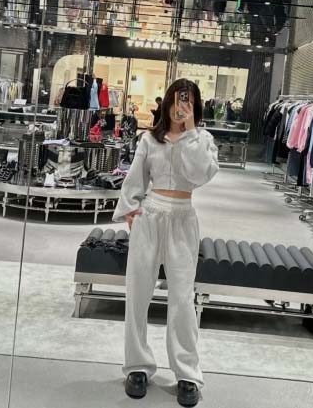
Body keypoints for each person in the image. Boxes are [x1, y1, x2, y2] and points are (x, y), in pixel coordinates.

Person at [113, 79, 219, 407]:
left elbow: (199, 174)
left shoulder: (203, 140)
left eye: (186, 101)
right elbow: (135, 178)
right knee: (137, 293)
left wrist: (190, 131)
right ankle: (137, 366)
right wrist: (131, 210)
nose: (179, 107)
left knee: (183, 299)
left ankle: (187, 374)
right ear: (166, 103)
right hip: (150, 215)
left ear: (195, 105)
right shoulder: (149, 139)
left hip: (183, 218)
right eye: (175, 100)